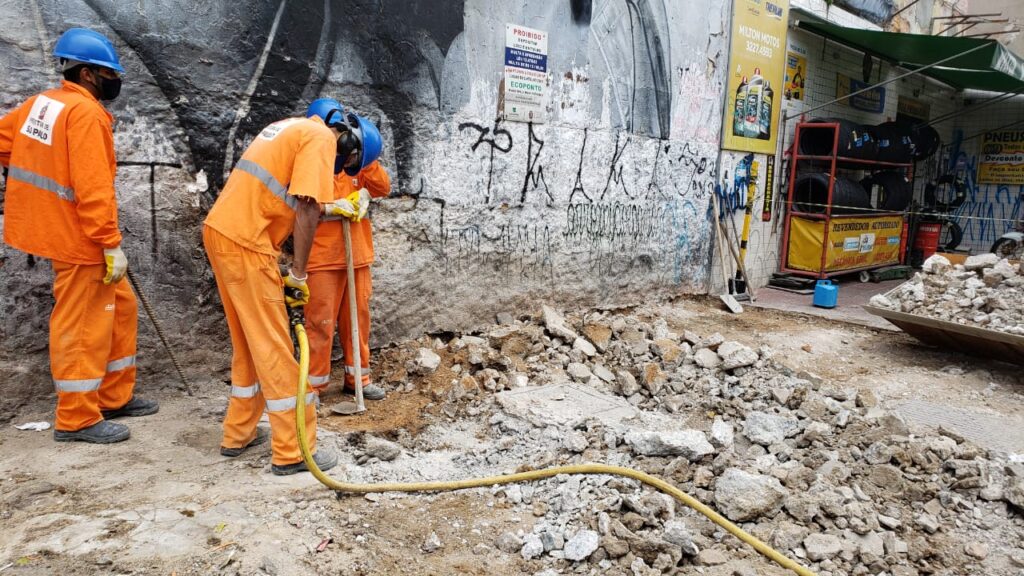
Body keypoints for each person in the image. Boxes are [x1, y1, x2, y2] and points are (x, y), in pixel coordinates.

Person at [0, 28, 158, 444]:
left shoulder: (42, 105)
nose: (115, 80)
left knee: (120, 308)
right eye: (110, 73)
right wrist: (109, 243)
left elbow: (4, 144)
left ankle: (112, 395)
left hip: (62, 231)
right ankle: (76, 417)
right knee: (83, 324)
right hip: (81, 240)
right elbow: (93, 188)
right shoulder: (86, 115)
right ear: (88, 74)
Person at [204, 103, 378, 475]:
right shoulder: (318, 139)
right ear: (345, 140)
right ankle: (293, 449)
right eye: (347, 160)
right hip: (248, 245)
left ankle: (237, 433)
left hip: (224, 233)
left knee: (250, 343)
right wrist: (298, 274)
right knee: (276, 348)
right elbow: (307, 209)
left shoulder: (290, 126)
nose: (342, 168)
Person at [302, 99, 388, 401]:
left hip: (357, 256)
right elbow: (301, 206)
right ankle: (313, 386)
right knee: (319, 323)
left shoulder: (356, 161)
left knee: (358, 319)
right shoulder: (310, 161)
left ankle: (358, 378)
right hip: (322, 258)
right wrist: (330, 209)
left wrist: (365, 170)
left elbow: (383, 187)